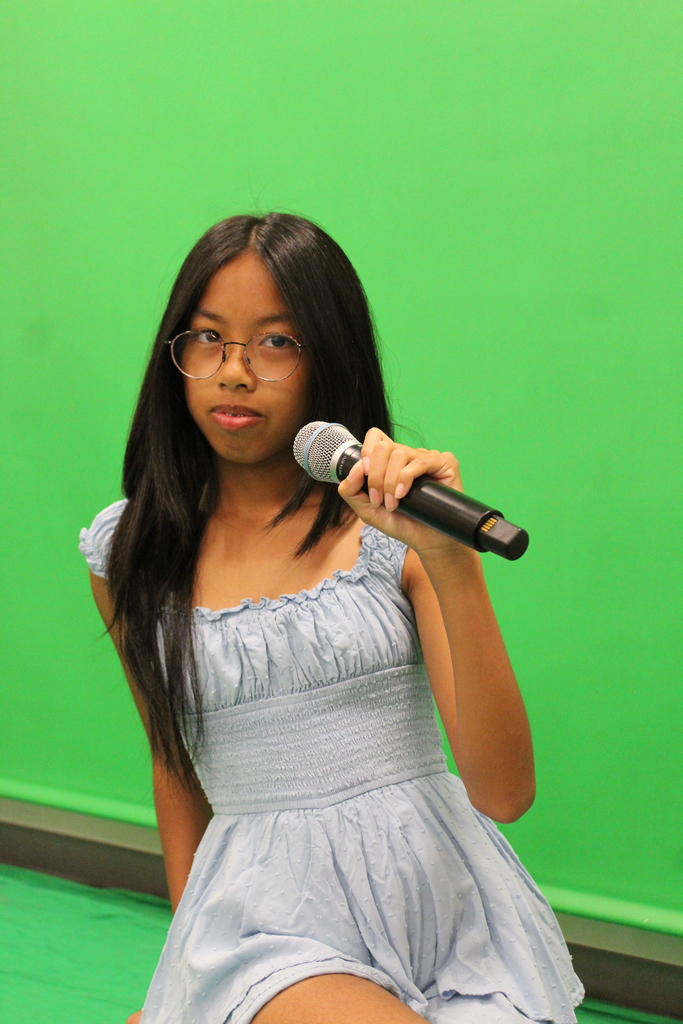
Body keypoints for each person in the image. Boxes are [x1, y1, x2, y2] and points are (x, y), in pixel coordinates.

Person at [79, 213, 584, 1024]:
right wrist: (186, 977)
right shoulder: (131, 552)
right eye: (206, 338)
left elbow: (505, 792)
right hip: (264, 924)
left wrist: (449, 560)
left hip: (441, 910)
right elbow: (176, 764)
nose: (234, 372)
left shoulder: (396, 540)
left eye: (276, 343)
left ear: (329, 359)